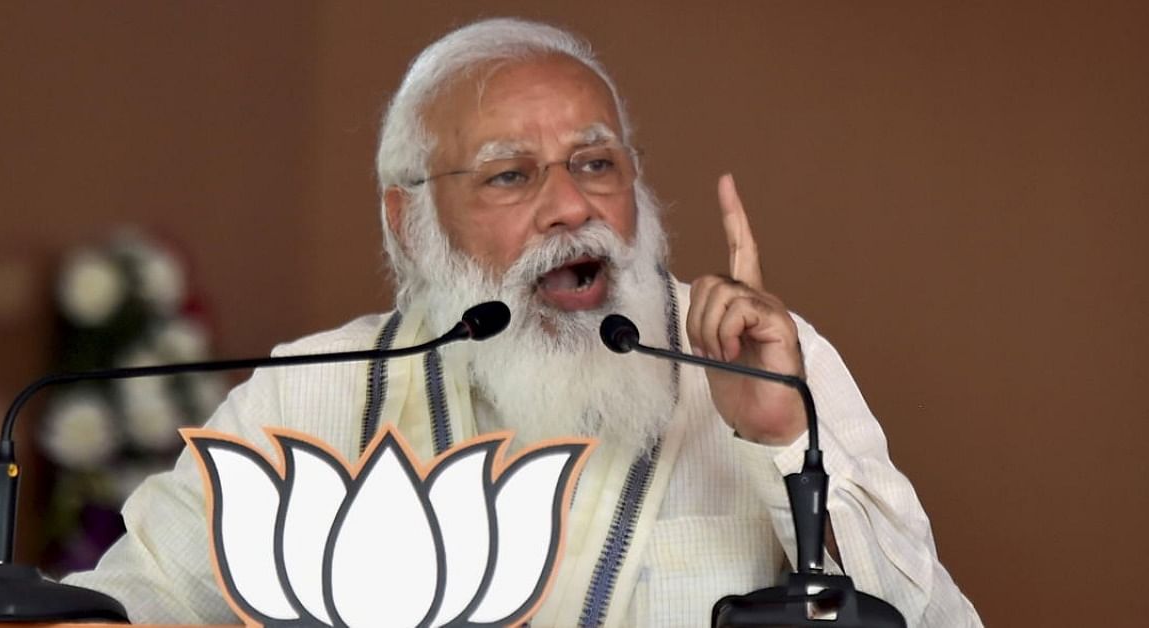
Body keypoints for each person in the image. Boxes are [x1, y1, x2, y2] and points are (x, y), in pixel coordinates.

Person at [65, 17, 983, 627]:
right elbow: (134, 598)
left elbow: (929, 618)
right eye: (510, 175)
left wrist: (786, 445)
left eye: (595, 163)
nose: (570, 208)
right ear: (408, 222)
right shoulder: (312, 390)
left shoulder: (763, 363)